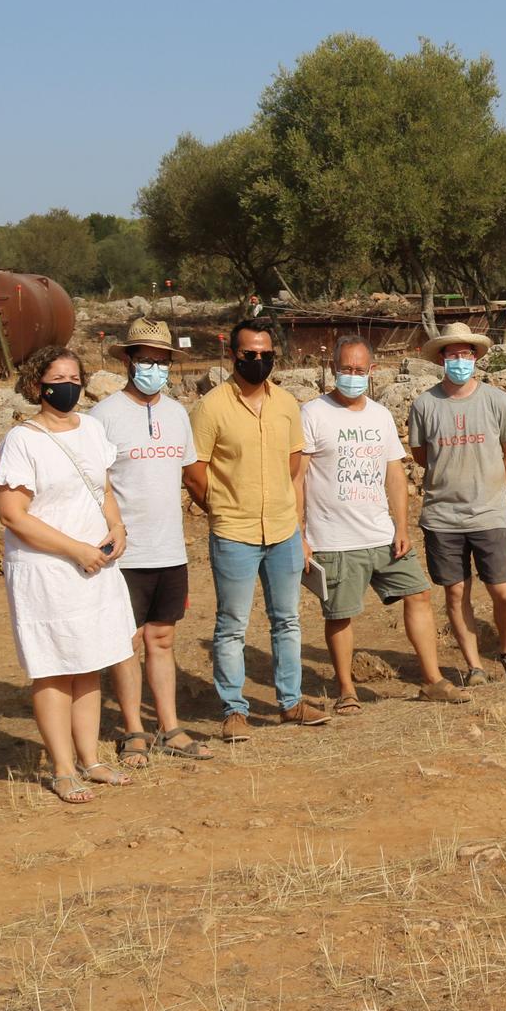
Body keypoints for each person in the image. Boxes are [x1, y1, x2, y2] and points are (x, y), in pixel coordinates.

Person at [0, 345, 136, 803]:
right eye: (60, 378)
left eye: (76, 377)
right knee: (54, 667)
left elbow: (102, 489)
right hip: (48, 571)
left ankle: (90, 759)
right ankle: (62, 768)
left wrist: (116, 527)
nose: (70, 385)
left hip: (96, 565)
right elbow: (13, 514)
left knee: (90, 661)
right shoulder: (23, 440)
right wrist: (74, 549)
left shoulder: (92, 429)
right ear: (38, 384)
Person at [303, 335, 469, 706]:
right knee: (341, 613)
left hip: (382, 533)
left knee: (419, 593)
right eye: (346, 369)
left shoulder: (379, 415)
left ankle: (432, 680)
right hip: (334, 538)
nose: (352, 375)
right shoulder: (312, 413)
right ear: (333, 369)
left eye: (359, 370)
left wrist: (402, 526)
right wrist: (300, 534)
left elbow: (394, 474)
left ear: (371, 371)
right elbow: (297, 477)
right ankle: (347, 690)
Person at [186, 317, 328, 741]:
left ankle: (291, 702)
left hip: (283, 530)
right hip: (235, 533)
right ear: (234, 355)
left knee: (287, 620)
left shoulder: (286, 403)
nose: (259, 361)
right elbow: (195, 470)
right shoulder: (212, 406)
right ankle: (234, 709)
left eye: (266, 355)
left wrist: (297, 525)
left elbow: (294, 464)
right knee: (232, 624)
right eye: (251, 354)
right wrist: (224, 506)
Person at [88, 319, 212, 766]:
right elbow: (95, 483)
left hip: (170, 549)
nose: (153, 368)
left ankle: (170, 727)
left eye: (161, 361)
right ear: (128, 360)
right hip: (123, 554)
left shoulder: (178, 414)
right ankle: (134, 732)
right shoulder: (102, 417)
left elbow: (190, 475)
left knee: (163, 638)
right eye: (145, 360)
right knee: (128, 642)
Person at [407, 323, 506, 686]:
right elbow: (421, 454)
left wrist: (497, 483)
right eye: (453, 354)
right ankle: (474, 666)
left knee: (503, 592)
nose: (460, 360)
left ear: (476, 357)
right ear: (441, 358)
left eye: (466, 353)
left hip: (489, 513)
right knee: (456, 592)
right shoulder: (425, 404)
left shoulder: (496, 400)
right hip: (442, 516)